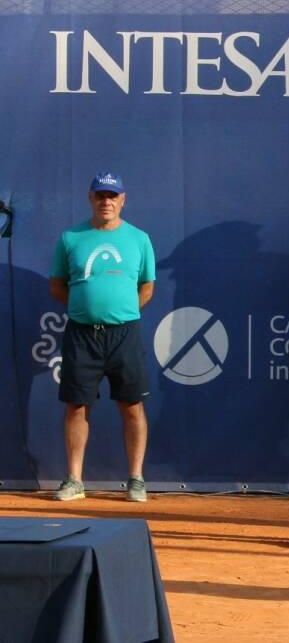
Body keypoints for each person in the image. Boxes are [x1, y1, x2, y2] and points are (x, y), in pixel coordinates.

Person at [49, 172, 156, 502]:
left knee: (132, 406)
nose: (106, 201)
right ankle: (74, 479)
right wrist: (88, 308)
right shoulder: (70, 238)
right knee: (76, 407)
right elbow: (57, 285)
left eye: (113, 196)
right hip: (81, 335)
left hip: (124, 334)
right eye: (100, 195)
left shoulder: (139, 239)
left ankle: (136, 479)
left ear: (123, 199)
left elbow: (147, 287)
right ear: (90, 198)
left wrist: (120, 311)